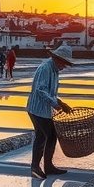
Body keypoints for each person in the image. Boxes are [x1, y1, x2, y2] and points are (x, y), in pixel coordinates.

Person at [26, 44, 75, 179]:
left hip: (44, 110)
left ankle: (47, 166)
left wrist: (60, 103)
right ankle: (36, 167)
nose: (64, 66)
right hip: (37, 109)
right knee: (47, 136)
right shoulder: (45, 68)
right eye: (64, 63)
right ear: (57, 58)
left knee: (47, 136)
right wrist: (55, 104)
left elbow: (50, 92)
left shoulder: (54, 70)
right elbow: (40, 90)